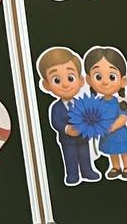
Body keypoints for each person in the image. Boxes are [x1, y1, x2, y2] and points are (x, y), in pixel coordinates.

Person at [36, 45, 101, 185]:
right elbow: (56, 122)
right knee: (70, 157)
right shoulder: (56, 107)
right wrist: (67, 129)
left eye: (70, 78)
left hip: (83, 138)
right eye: (57, 80)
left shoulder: (81, 103)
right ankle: (72, 174)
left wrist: (90, 125)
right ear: (46, 85)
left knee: (85, 155)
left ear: (81, 81)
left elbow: (89, 117)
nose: (65, 85)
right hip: (67, 141)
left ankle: (87, 171)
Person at [85, 45, 127, 179]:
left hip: (119, 132)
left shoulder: (119, 102)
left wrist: (113, 126)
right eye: (98, 76)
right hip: (106, 133)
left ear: (123, 81)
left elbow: (123, 117)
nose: (105, 82)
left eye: (111, 76)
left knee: (124, 150)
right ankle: (116, 167)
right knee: (112, 151)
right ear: (89, 80)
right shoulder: (97, 103)